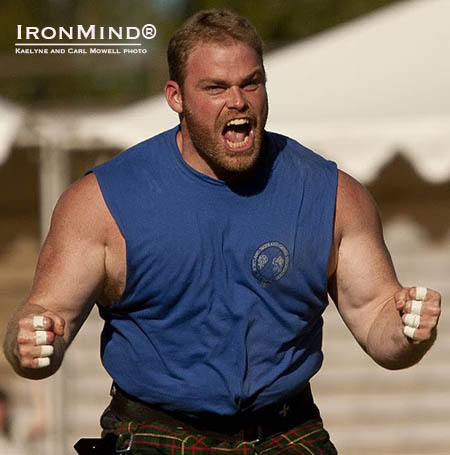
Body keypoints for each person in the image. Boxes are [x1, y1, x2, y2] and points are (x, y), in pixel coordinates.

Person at [3, 9, 441, 455]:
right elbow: (43, 323)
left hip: (286, 432)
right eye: (215, 87)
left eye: (251, 83)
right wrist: (29, 346)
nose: (238, 101)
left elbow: (376, 320)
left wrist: (406, 330)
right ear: (175, 96)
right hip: (158, 435)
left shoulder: (332, 196)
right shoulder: (100, 203)